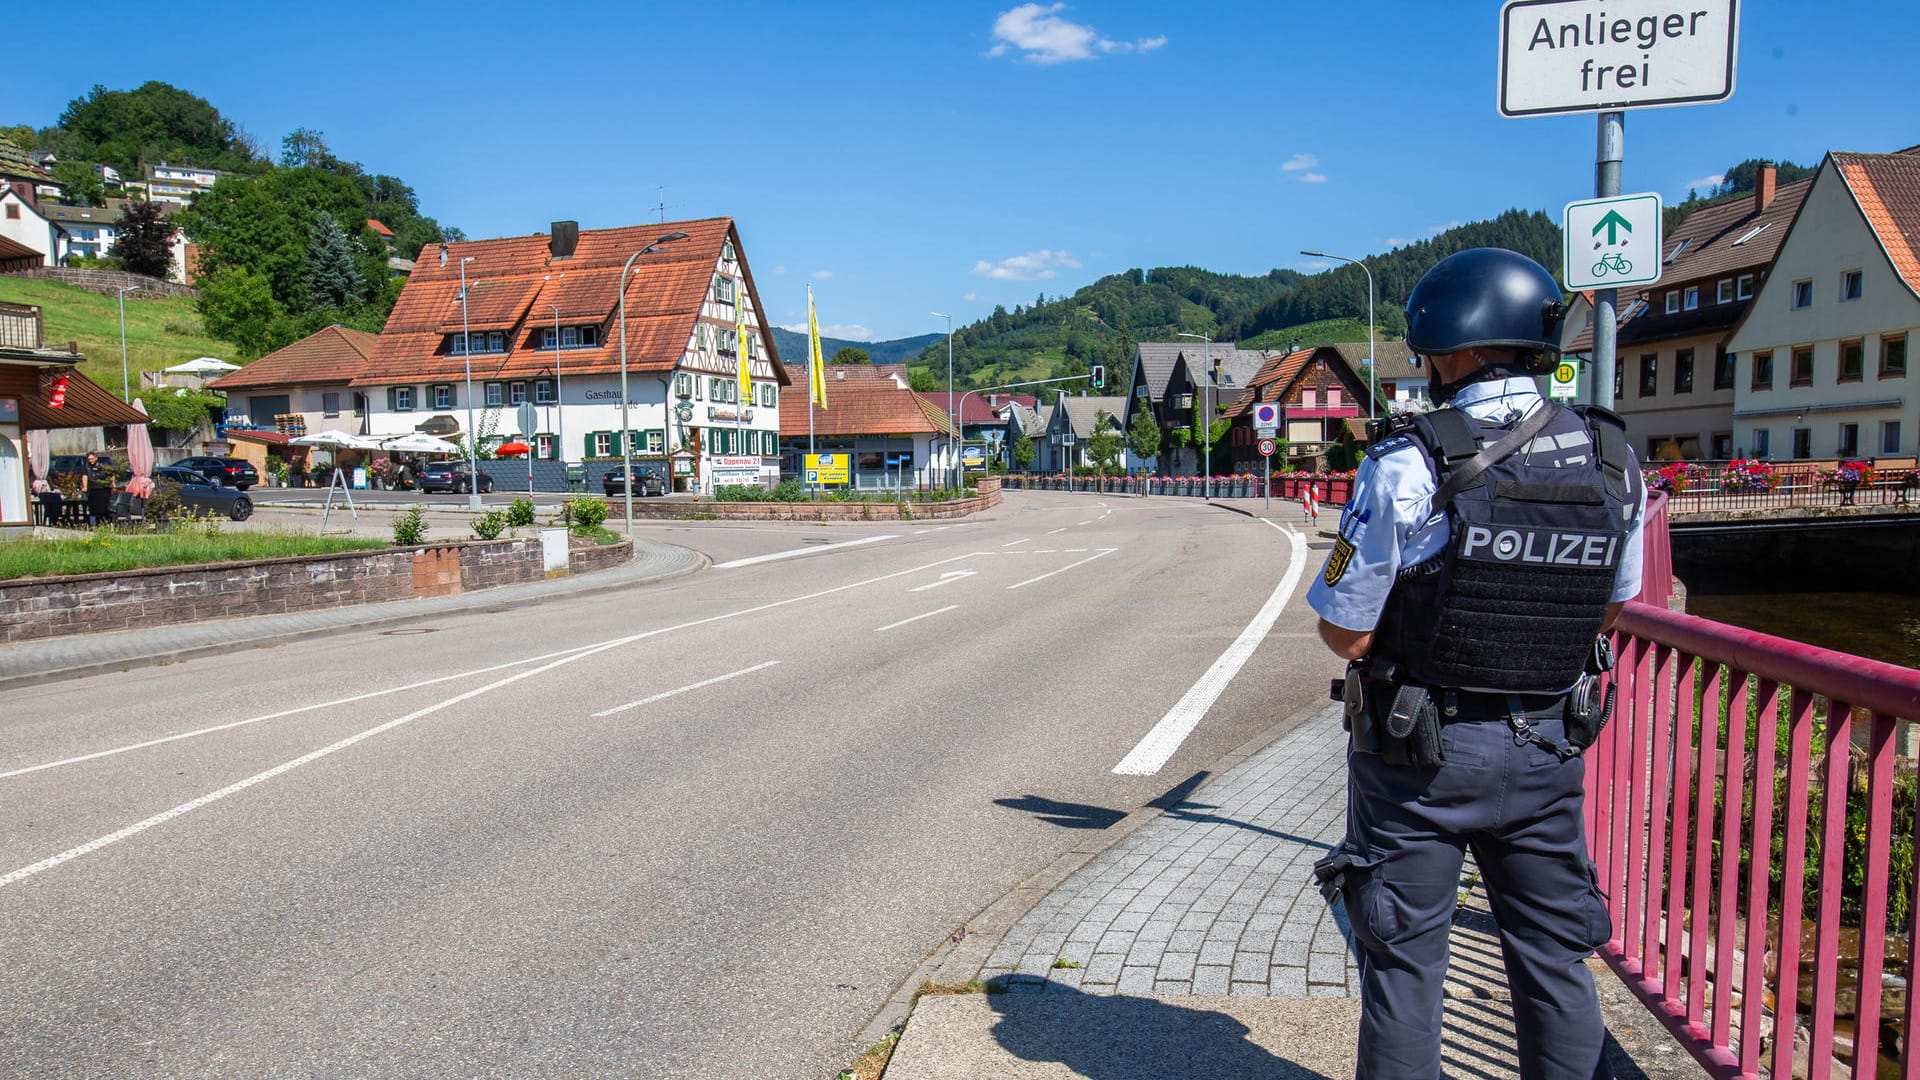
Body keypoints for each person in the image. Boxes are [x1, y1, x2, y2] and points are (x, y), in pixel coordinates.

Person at [1307, 248, 1646, 1080]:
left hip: (1418, 761)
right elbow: (1612, 606)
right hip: (1546, 753)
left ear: (1452, 348)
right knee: (1555, 963)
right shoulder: (1612, 459)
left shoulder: (1407, 462)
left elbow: (1345, 631)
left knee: (1405, 974)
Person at [82, 451, 114, 526]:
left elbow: (111, 474)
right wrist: (85, 487)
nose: (90, 461)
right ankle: (94, 524)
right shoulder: (86, 467)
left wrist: (113, 484)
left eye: (92, 459)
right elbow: (85, 477)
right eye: (89, 459)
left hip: (103, 489)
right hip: (92, 490)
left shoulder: (102, 466)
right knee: (93, 509)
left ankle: (105, 522)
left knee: (104, 508)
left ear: (96, 458)